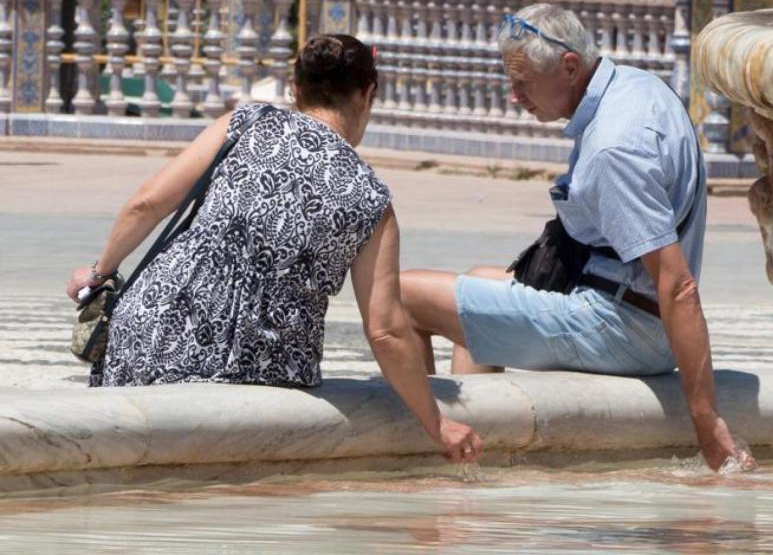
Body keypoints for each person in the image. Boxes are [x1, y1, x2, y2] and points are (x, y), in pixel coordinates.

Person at [65, 34, 483, 464]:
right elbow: (385, 331)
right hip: (260, 363)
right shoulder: (370, 198)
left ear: (295, 89)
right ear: (367, 93)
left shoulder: (246, 123)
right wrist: (437, 423)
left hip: (153, 325)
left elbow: (148, 203)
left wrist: (98, 273)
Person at [400, 5, 753, 471]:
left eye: (524, 83)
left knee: (402, 295)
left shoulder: (614, 148)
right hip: (632, 307)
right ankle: (475, 461)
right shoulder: (640, 86)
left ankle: (427, 455)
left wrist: (707, 422)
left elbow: (678, 285)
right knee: (476, 284)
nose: (514, 96)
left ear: (569, 67)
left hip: (623, 328)